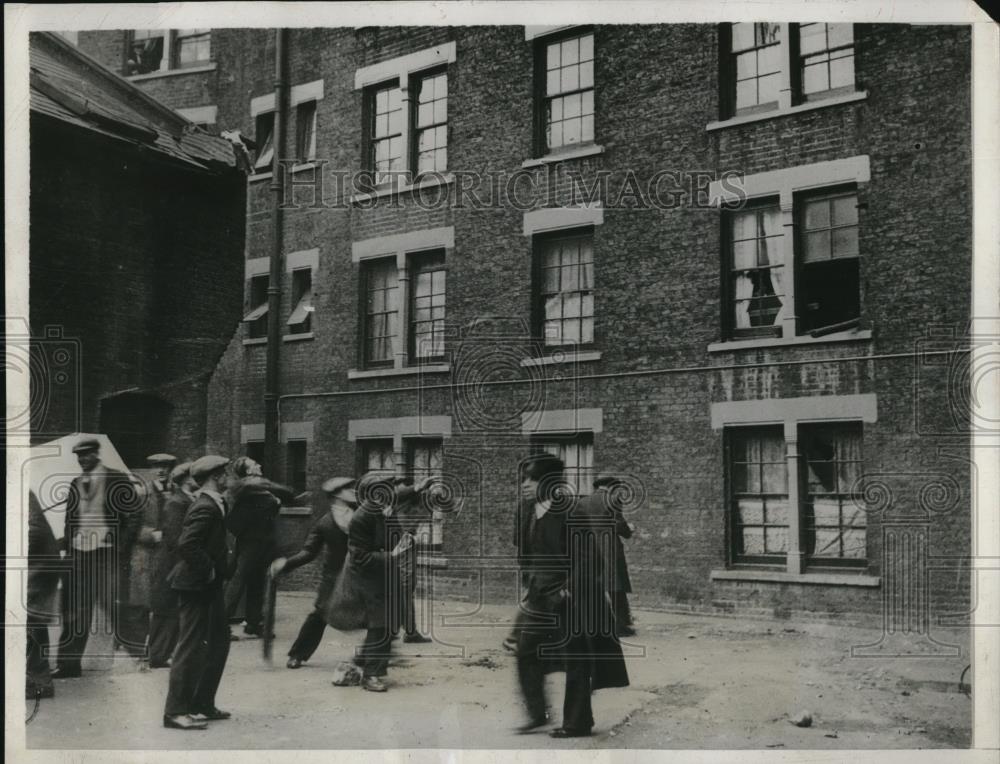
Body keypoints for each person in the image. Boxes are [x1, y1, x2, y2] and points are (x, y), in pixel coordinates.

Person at [513, 453, 629, 738]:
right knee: (526, 650)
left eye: (533, 479)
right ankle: (538, 714)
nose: (526, 484)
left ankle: (577, 723)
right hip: (539, 594)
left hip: (572, 596)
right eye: (525, 478)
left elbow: (589, 559)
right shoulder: (526, 510)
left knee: (576, 657)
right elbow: (525, 549)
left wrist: (568, 591)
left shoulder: (571, 511)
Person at [53, 437, 140, 679]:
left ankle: (142, 656)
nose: (82, 460)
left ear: (96, 454)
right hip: (79, 555)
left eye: (86, 455)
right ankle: (68, 665)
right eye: (79, 457)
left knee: (116, 607)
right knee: (75, 611)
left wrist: (121, 548)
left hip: (106, 554)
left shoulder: (116, 478)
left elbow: (133, 515)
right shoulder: (75, 483)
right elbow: (70, 520)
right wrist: (69, 545)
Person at [345, 471, 437, 692]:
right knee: (382, 624)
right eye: (387, 488)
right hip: (370, 578)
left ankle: (364, 658)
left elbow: (401, 495)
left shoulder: (382, 508)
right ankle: (370, 675)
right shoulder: (361, 518)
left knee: (389, 622)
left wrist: (418, 487)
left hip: (385, 573)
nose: (392, 492)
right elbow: (360, 557)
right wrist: (393, 555)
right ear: (375, 493)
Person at [163, 455, 233, 730]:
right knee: (190, 647)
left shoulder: (214, 503)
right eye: (225, 474)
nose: (228, 477)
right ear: (216, 477)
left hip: (207, 585)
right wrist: (210, 570)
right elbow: (186, 544)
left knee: (218, 642)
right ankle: (175, 712)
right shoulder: (205, 506)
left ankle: (201, 704)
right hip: (196, 585)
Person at [270, 477, 358, 669]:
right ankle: (297, 654)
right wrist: (285, 563)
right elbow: (309, 552)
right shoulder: (324, 523)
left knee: (376, 612)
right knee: (320, 614)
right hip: (334, 576)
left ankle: (375, 655)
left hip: (360, 574)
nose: (353, 491)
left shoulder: (361, 513)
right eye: (347, 489)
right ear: (336, 495)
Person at [224, 457, 302, 638]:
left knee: (257, 582)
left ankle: (253, 623)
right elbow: (285, 493)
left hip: (263, 542)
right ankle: (222, 623)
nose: (259, 464)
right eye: (254, 464)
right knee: (239, 579)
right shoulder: (246, 486)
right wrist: (271, 488)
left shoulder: (257, 488)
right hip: (251, 542)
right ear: (249, 472)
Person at [126, 453, 178, 658]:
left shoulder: (176, 492)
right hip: (146, 554)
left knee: (166, 602)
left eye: (165, 466)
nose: (161, 471)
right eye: (157, 467)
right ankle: (139, 649)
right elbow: (129, 525)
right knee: (142, 603)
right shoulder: (141, 494)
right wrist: (149, 535)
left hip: (169, 555)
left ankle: (162, 650)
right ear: (150, 469)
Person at [147, 461, 196, 668]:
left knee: (173, 611)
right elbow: (176, 538)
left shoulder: (186, 499)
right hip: (171, 564)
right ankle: (158, 654)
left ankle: (163, 653)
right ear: (186, 479)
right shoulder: (177, 502)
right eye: (196, 476)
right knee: (165, 610)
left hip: (176, 563)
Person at [591, 473, 636, 638]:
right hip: (609, 550)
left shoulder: (583, 502)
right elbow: (618, 524)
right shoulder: (612, 500)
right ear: (610, 486)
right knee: (616, 588)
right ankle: (621, 626)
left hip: (590, 550)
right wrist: (628, 529)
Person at [26, 490, 62, 699]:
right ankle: (38, 680)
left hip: (39, 565)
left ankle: (38, 682)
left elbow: (34, 531)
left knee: (28, 620)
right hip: (35, 563)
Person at [391, 477, 432, 644]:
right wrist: (417, 487)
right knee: (404, 588)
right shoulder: (399, 500)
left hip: (405, 547)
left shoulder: (412, 504)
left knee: (403, 589)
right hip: (400, 550)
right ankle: (408, 632)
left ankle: (398, 630)